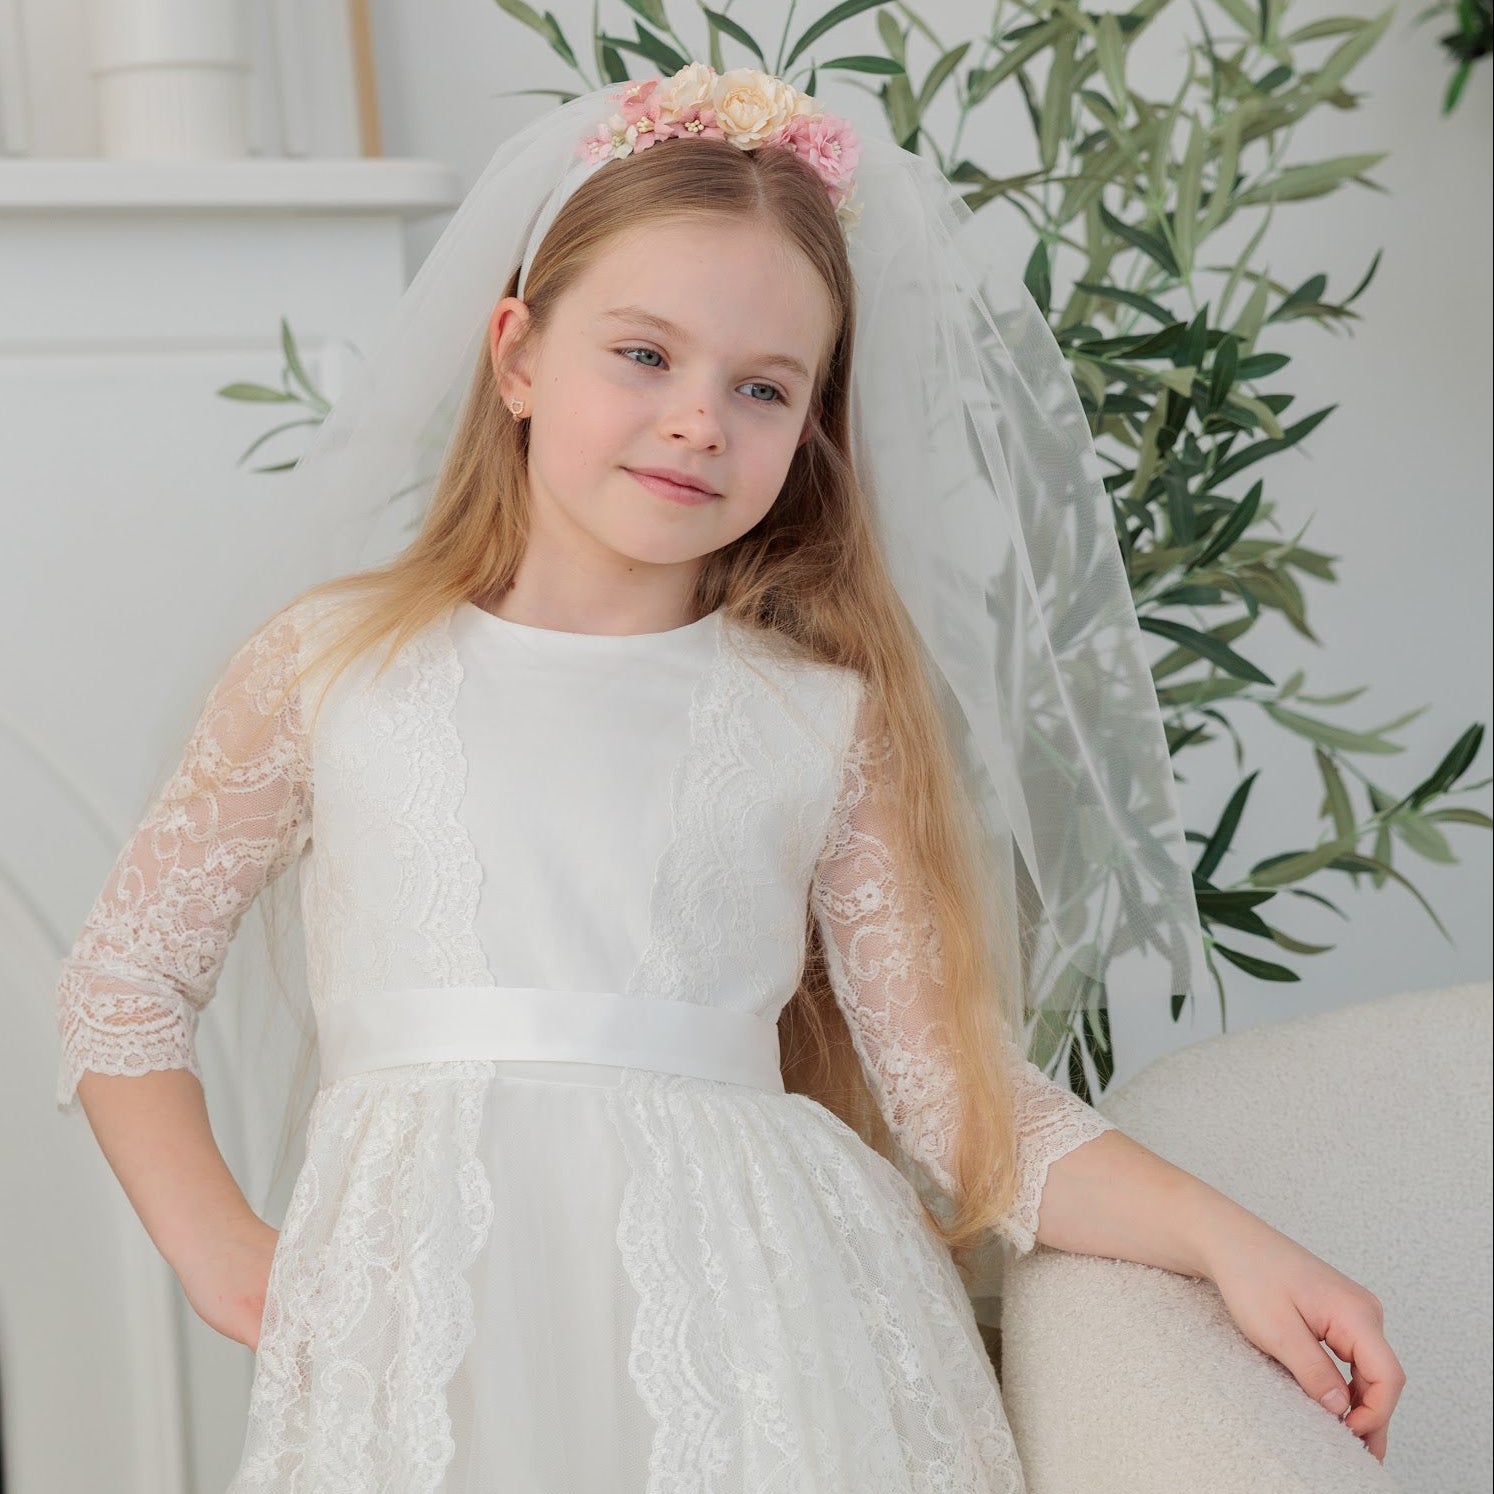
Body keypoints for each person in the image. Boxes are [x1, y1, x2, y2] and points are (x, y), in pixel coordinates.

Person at [54, 65, 1403, 1490]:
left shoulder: (818, 715)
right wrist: (226, 1249)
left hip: (768, 1336)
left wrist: (1230, 1240)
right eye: (642, 354)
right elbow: (124, 980)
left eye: (761, 386)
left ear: (811, 425)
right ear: (514, 353)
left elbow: (962, 1109)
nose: (699, 418)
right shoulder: (331, 666)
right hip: (430, 1323)